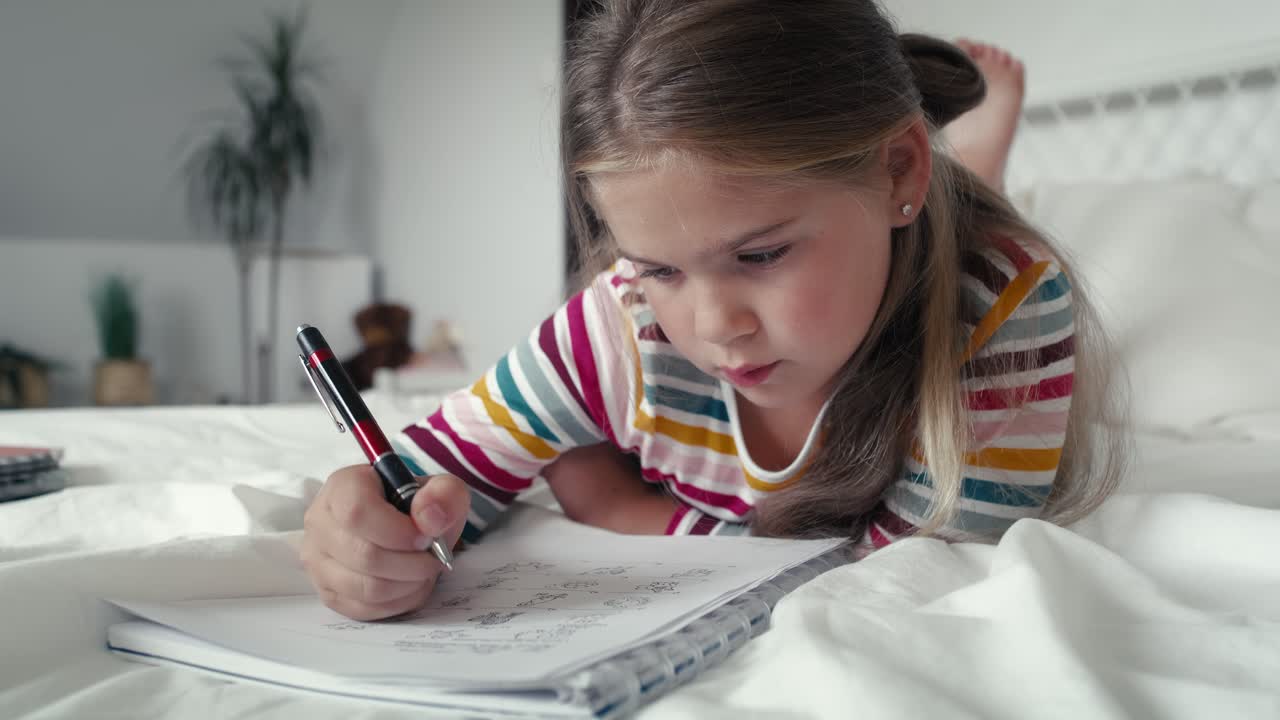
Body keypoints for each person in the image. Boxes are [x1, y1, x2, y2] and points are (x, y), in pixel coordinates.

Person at [300, 0, 1128, 621]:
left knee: (961, 231)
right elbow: (432, 482)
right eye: (659, 266)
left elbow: (919, 580)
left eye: (761, 255)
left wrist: (629, 515)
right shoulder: (621, 324)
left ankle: (976, 160)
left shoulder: (1005, 308)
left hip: (938, 250)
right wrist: (368, 534)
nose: (713, 327)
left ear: (896, 169)